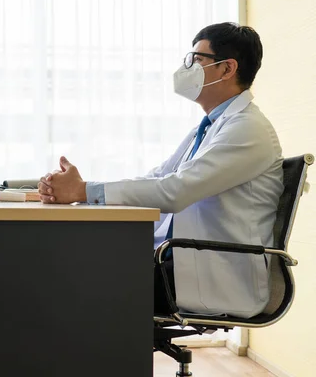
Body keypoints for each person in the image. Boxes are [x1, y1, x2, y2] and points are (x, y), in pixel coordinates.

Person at [38, 22, 283, 319]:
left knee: (76, 281)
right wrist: (84, 189)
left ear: (227, 69)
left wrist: (83, 190)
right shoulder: (207, 128)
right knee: (75, 261)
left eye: (196, 59)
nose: (186, 68)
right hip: (177, 262)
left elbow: (176, 192)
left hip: (210, 275)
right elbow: (159, 178)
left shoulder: (247, 129)